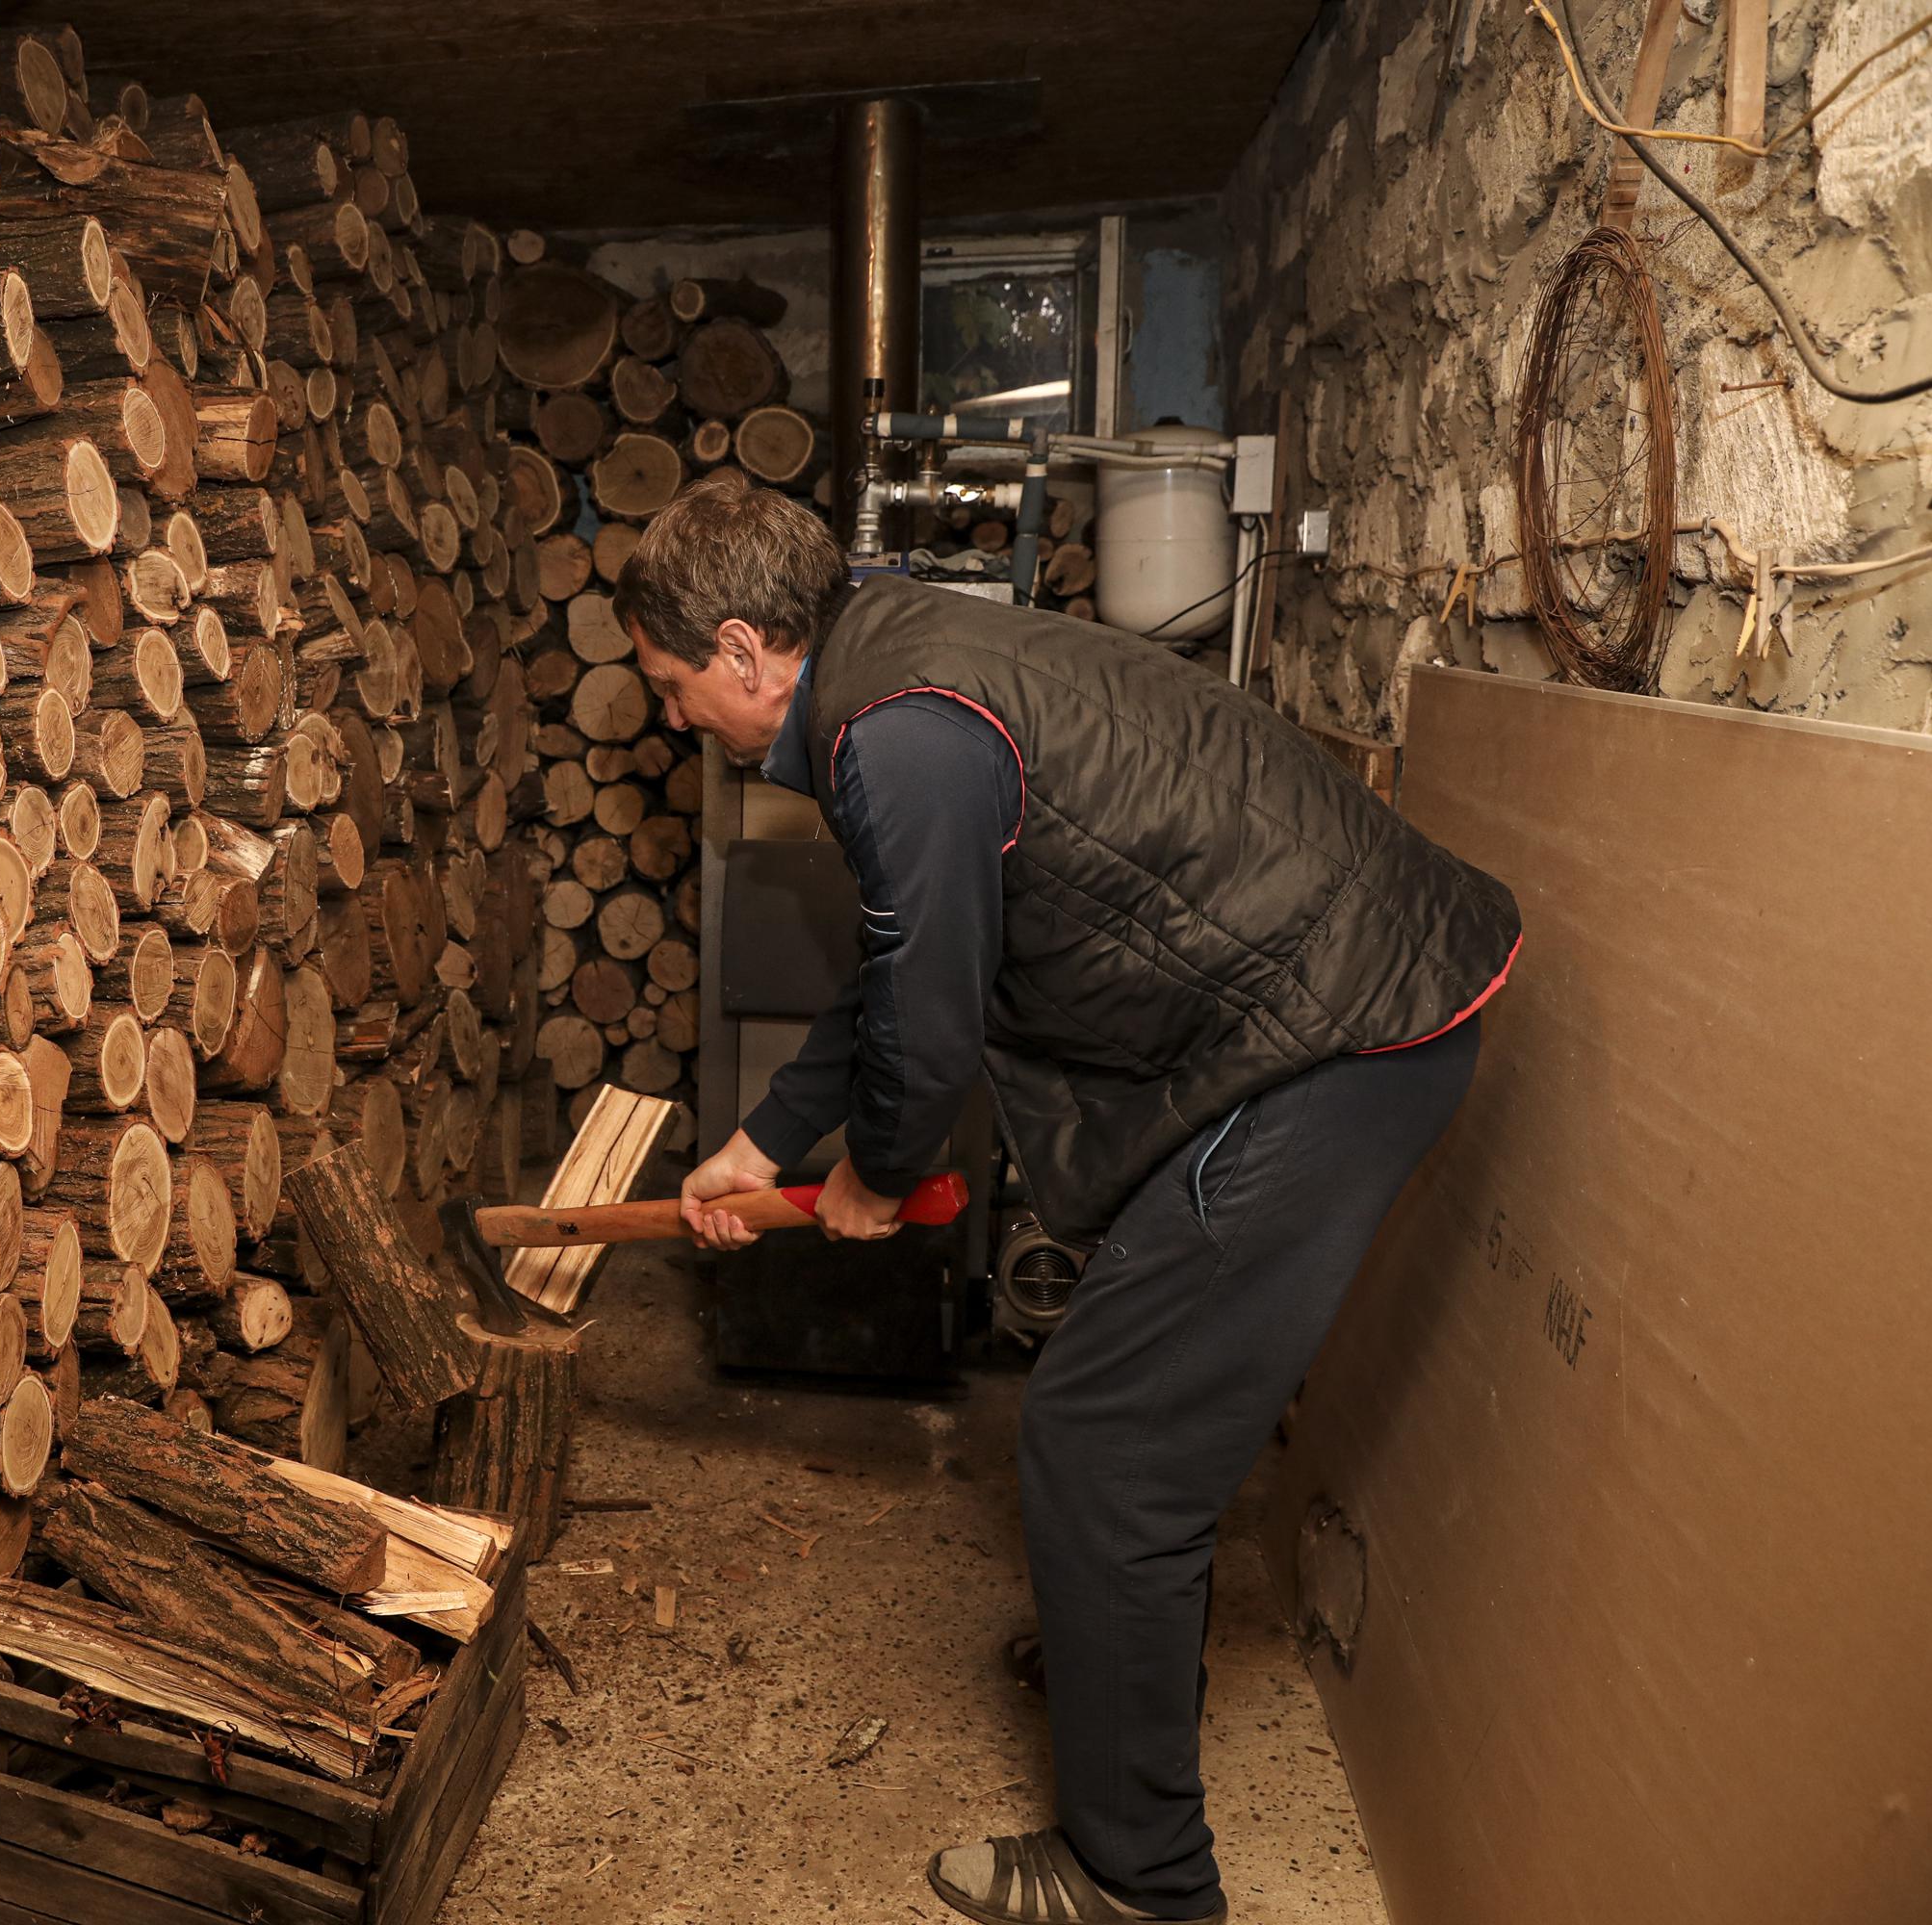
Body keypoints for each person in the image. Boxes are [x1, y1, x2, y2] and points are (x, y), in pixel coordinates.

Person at [621, 472, 1520, 1925]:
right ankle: (1121, 1652)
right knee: (1118, 1421)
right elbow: (912, 946)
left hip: (1332, 1040)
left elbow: (930, 1006)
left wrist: (872, 1176)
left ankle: (1141, 1883)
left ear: (739, 648)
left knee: (1107, 1448)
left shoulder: (896, 735)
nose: (678, 722)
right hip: (1336, 1001)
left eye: (674, 689)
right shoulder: (898, 661)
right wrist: (773, 1141)